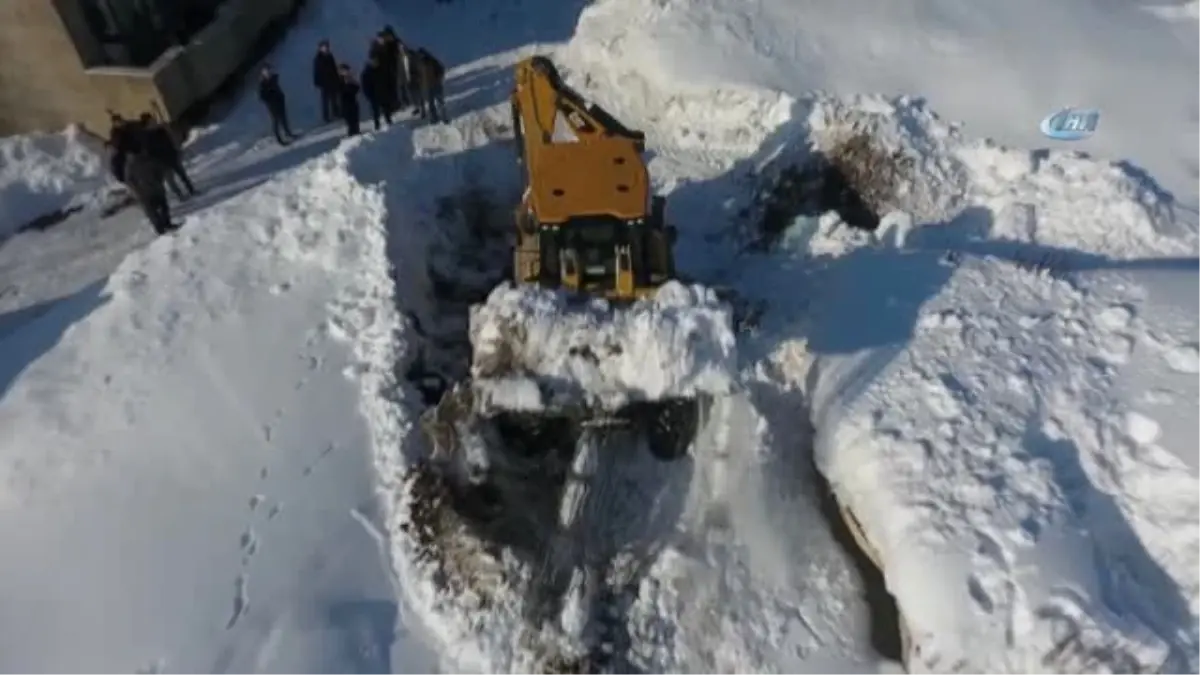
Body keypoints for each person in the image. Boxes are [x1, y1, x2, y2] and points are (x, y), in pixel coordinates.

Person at [139, 113, 196, 200]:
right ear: (147, 123)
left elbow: (170, 141)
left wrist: (175, 151)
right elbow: (149, 152)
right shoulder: (146, 137)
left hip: (171, 156)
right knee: (171, 181)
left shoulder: (161, 130)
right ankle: (180, 195)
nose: (154, 122)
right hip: (162, 161)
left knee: (183, 175)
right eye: (151, 121)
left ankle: (191, 190)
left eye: (153, 120)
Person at [124, 147, 177, 235]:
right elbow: (160, 170)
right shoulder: (148, 159)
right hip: (156, 187)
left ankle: (160, 229)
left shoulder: (130, 165)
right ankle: (167, 224)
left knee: (152, 212)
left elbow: (129, 180)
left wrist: (136, 189)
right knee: (163, 207)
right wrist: (158, 181)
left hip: (143, 192)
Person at [258, 64, 297, 144]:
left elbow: (277, 88)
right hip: (272, 105)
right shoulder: (263, 84)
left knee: (284, 119)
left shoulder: (273, 79)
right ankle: (279, 139)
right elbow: (262, 96)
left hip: (279, 101)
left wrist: (281, 96)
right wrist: (270, 99)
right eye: (266, 72)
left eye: (268, 71)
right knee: (276, 122)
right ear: (263, 73)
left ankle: (288, 133)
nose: (268, 73)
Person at [415, 48, 447, 124]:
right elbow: (419, 76)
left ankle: (443, 117)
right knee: (431, 104)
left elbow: (441, 70)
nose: (421, 57)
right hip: (427, 87)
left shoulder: (432, 61)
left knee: (439, 103)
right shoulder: (419, 64)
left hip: (435, 85)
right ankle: (434, 118)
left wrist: (438, 79)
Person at [312, 40, 341, 123]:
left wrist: (337, 78)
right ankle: (326, 116)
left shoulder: (330, 56)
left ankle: (336, 112)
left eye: (327, 46)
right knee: (325, 100)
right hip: (324, 82)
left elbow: (334, 67)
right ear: (320, 48)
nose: (326, 48)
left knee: (334, 98)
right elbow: (316, 71)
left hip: (332, 80)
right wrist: (318, 82)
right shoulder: (318, 58)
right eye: (324, 47)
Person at [360, 55, 391, 131]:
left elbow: (386, 80)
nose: (376, 63)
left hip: (382, 92)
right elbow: (365, 86)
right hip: (373, 95)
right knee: (375, 111)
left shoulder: (381, 70)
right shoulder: (366, 72)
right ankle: (377, 124)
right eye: (374, 61)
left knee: (386, 108)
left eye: (376, 61)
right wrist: (369, 95)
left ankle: (388, 121)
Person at [338, 64, 361, 137]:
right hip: (346, 104)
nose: (346, 72)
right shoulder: (339, 80)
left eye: (347, 71)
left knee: (355, 120)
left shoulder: (351, 79)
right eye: (344, 71)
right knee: (350, 121)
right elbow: (340, 92)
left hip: (353, 102)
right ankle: (351, 134)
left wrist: (351, 83)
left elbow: (357, 88)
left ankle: (356, 132)